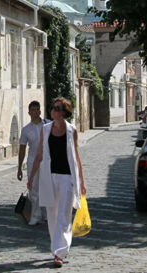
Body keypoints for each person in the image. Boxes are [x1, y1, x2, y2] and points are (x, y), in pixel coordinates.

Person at [27, 97, 87, 268]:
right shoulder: (45, 129)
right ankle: (56, 249)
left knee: (64, 215)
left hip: (67, 177)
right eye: (53, 107)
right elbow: (39, 154)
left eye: (58, 108)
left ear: (65, 112)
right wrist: (31, 177)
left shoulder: (71, 130)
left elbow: (76, 156)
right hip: (49, 176)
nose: (53, 110)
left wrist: (81, 181)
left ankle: (60, 252)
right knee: (52, 215)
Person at [17, 101, 49, 225]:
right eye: (33, 109)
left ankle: (47, 213)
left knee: (47, 187)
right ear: (29, 112)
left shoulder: (48, 125)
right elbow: (22, 148)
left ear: (40, 111)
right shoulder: (26, 130)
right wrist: (19, 168)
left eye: (37, 109)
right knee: (33, 189)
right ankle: (35, 216)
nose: (36, 111)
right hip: (32, 161)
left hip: (47, 161)